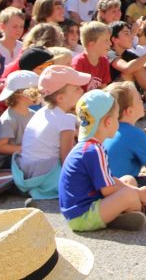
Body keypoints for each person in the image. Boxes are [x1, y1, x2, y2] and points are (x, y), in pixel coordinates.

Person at [59, 88, 146, 232]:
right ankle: (141, 208)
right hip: (82, 216)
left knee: (128, 179)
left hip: (83, 211)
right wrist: (138, 193)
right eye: (117, 118)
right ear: (109, 122)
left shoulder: (90, 146)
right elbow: (108, 190)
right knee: (129, 194)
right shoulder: (94, 150)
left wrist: (134, 189)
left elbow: (108, 179)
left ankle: (119, 215)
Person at [15, 65, 91, 201]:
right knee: (87, 179)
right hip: (45, 175)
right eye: (76, 88)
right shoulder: (65, 120)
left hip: (28, 170)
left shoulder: (43, 112)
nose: (82, 90)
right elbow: (66, 158)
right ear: (60, 98)